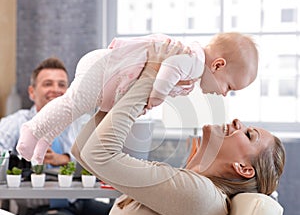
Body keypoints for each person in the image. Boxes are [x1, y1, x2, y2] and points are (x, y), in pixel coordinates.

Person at [70, 41, 285, 215]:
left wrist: (150, 75)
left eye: (249, 134)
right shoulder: (192, 188)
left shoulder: (201, 196)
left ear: (243, 168)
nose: (238, 122)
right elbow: (83, 152)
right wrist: (118, 98)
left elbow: (97, 155)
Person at [16, 32, 259, 165]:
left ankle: (43, 141)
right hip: (105, 70)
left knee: (74, 112)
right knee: (73, 104)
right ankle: (32, 130)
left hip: (111, 78)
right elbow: (170, 68)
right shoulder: (194, 63)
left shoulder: (194, 73)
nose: (225, 93)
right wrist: (157, 97)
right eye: (229, 86)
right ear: (218, 65)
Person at [0, 57, 112, 215]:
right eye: (47, 84)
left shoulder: (81, 124)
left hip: (79, 201)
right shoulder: (15, 124)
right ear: (31, 92)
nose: (55, 90)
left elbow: (100, 160)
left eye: (62, 85)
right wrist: (25, 161)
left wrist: (66, 159)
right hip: (39, 209)